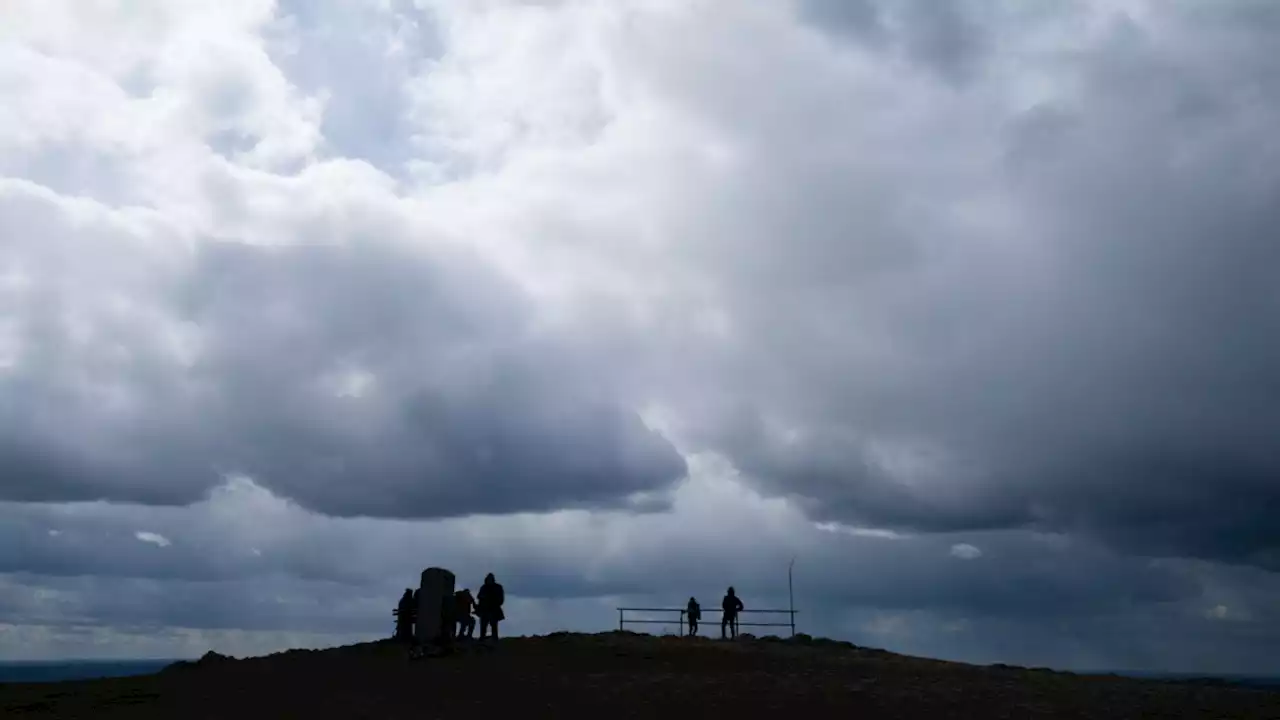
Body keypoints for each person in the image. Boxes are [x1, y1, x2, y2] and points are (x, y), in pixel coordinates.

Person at [476, 573, 505, 640]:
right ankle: (483, 639)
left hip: (493, 609)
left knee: (493, 626)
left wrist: (494, 602)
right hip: (485, 609)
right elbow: (480, 597)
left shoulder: (497, 587)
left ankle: (493, 639)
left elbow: (501, 599)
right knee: (483, 626)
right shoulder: (484, 587)